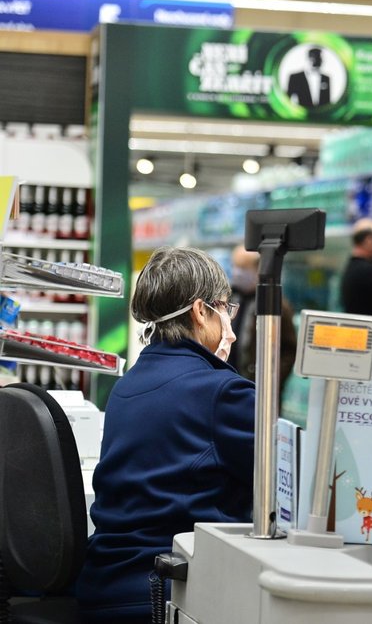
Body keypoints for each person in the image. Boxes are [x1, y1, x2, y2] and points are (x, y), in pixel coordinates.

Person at [77, 247, 255, 623]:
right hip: (167, 597)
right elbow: (303, 471)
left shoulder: (126, 387)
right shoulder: (222, 392)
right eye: (225, 307)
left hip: (104, 590)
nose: (231, 327)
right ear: (200, 311)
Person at [228, 244, 298, 395]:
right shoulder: (227, 297)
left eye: (242, 267)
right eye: (234, 265)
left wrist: (271, 380)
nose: (236, 272)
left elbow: (290, 349)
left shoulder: (276, 304)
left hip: (258, 390)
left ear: (257, 269)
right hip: (227, 383)